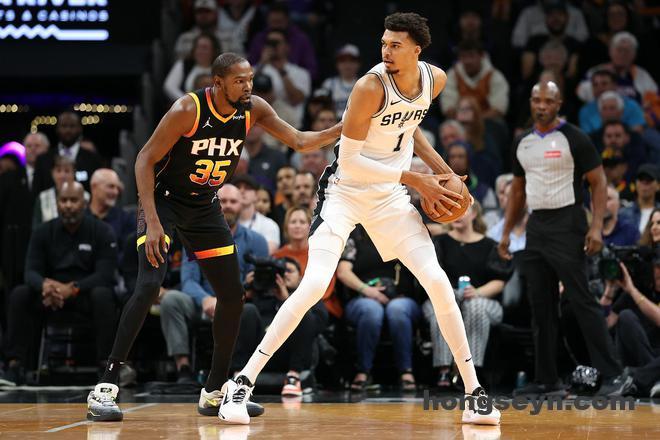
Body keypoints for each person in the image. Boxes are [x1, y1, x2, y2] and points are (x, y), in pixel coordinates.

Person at [219, 13, 500, 426]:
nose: (386, 51)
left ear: (417, 50)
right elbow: (350, 161)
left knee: (439, 283)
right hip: (345, 193)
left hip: (389, 197)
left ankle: (474, 393)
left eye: (395, 45)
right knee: (313, 285)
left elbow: (411, 128)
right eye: (383, 43)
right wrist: (416, 179)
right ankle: (241, 383)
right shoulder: (370, 87)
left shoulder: (435, 80)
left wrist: (447, 176)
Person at [86, 52, 341, 422]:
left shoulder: (253, 109)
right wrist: (152, 221)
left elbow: (300, 141)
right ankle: (105, 387)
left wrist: (342, 128)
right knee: (149, 284)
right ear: (218, 83)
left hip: (204, 205)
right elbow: (144, 159)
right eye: (240, 81)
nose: (248, 86)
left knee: (233, 296)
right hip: (164, 202)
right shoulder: (187, 110)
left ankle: (214, 391)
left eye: (250, 79)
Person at [499, 81, 624, 397]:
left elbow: (598, 182)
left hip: (568, 221)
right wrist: (506, 232)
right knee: (541, 305)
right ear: (530, 102)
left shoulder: (575, 138)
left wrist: (595, 227)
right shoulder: (522, 143)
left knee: (581, 299)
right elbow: (517, 192)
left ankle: (613, 374)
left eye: (548, 101)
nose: (541, 106)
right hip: (536, 225)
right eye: (536, 100)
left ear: (559, 104)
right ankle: (547, 380)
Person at [4, 182, 118, 385]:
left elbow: (105, 274)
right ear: (57, 203)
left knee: (103, 295)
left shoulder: (101, 231)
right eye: (63, 200)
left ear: (84, 203)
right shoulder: (43, 231)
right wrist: (45, 287)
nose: (68, 205)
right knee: (19, 294)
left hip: (84, 294)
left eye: (73, 200)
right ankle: (15, 365)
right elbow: (30, 271)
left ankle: (106, 367)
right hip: (51, 297)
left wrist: (73, 289)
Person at [159, 184, 268, 384]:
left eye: (233, 201)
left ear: (242, 205)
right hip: (202, 303)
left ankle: (239, 373)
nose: (228, 205)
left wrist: (231, 298)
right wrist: (205, 299)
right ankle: (183, 367)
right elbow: (188, 280)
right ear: (214, 203)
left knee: (249, 311)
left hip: (238, 302)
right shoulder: (195, 237)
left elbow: (260, 283)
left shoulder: (257, 241)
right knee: (171, 299)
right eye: (223, 201)